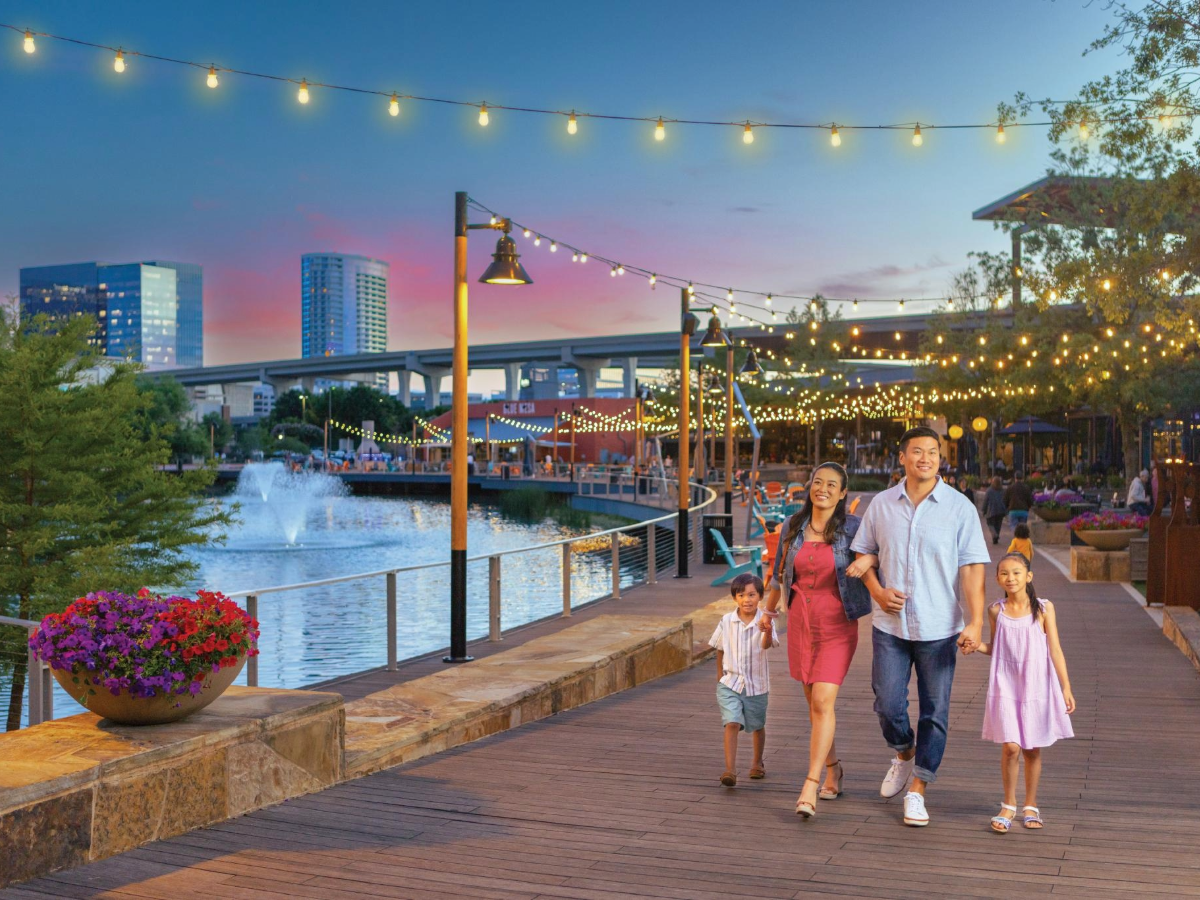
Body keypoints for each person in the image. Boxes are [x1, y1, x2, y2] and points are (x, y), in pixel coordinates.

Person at [850, 425, 990, 827]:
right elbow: (864, 553)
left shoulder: (959, 507)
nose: (925, 458)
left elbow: (972, 569)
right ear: (902, 457)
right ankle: (904, 752)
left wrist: (976, 621)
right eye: (917, 451)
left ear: (940, 459)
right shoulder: (881, 505)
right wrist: (877, 591)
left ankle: (919, 789)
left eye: (932, 452)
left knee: (936, 711)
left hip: (940, 626)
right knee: (888, 702)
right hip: (890, 625)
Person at [762, 462, 872, 819]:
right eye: (817, 482)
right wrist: (767, 614)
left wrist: (869, 559)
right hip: (800, 621)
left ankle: (809, 785)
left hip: (837, 621)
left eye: (831, 485)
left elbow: (880, 555)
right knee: (814, 704)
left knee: (824, 699)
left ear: (842, 493)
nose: (822, 488)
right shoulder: (794, 526)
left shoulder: (854, 527)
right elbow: (779, 575)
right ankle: (833, 767)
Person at [979, 552, 1075, 832]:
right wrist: (975, 646)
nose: (1011, 578)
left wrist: (1065, 686)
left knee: (1032, 749)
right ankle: (1008, 804)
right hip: (1006, 684)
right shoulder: (996, 610)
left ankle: (1030, 805)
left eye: (1017, 572)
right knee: (1011, 747)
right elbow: (995, 647)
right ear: (997, 578)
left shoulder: (1044, 609)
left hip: (1036, 685)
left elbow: (1054, 649)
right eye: (1005, 573)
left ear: (1029, 576)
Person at [710, 573, 779, 787]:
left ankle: (757, 763)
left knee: (757, 725)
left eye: (751, 595)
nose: (747, 599)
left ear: (760, 596)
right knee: (732, 722)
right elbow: (720, 648)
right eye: (741, 595)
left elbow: (767, 645)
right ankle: (730, 770)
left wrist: (766, 632)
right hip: (730, 683)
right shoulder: (726, 621)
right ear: (734, 598)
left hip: (756, 685)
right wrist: (720, 673)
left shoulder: (765, 620)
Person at [983, 476, 1007, 545]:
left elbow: (986, 501)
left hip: (991, 510)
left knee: (990, 524)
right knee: (998, 525)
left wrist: (984, 510)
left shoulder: (989, 490)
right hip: (1000, 510)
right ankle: (996, 537)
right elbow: (1005, 500)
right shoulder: (1002, 490)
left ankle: (994, 535)